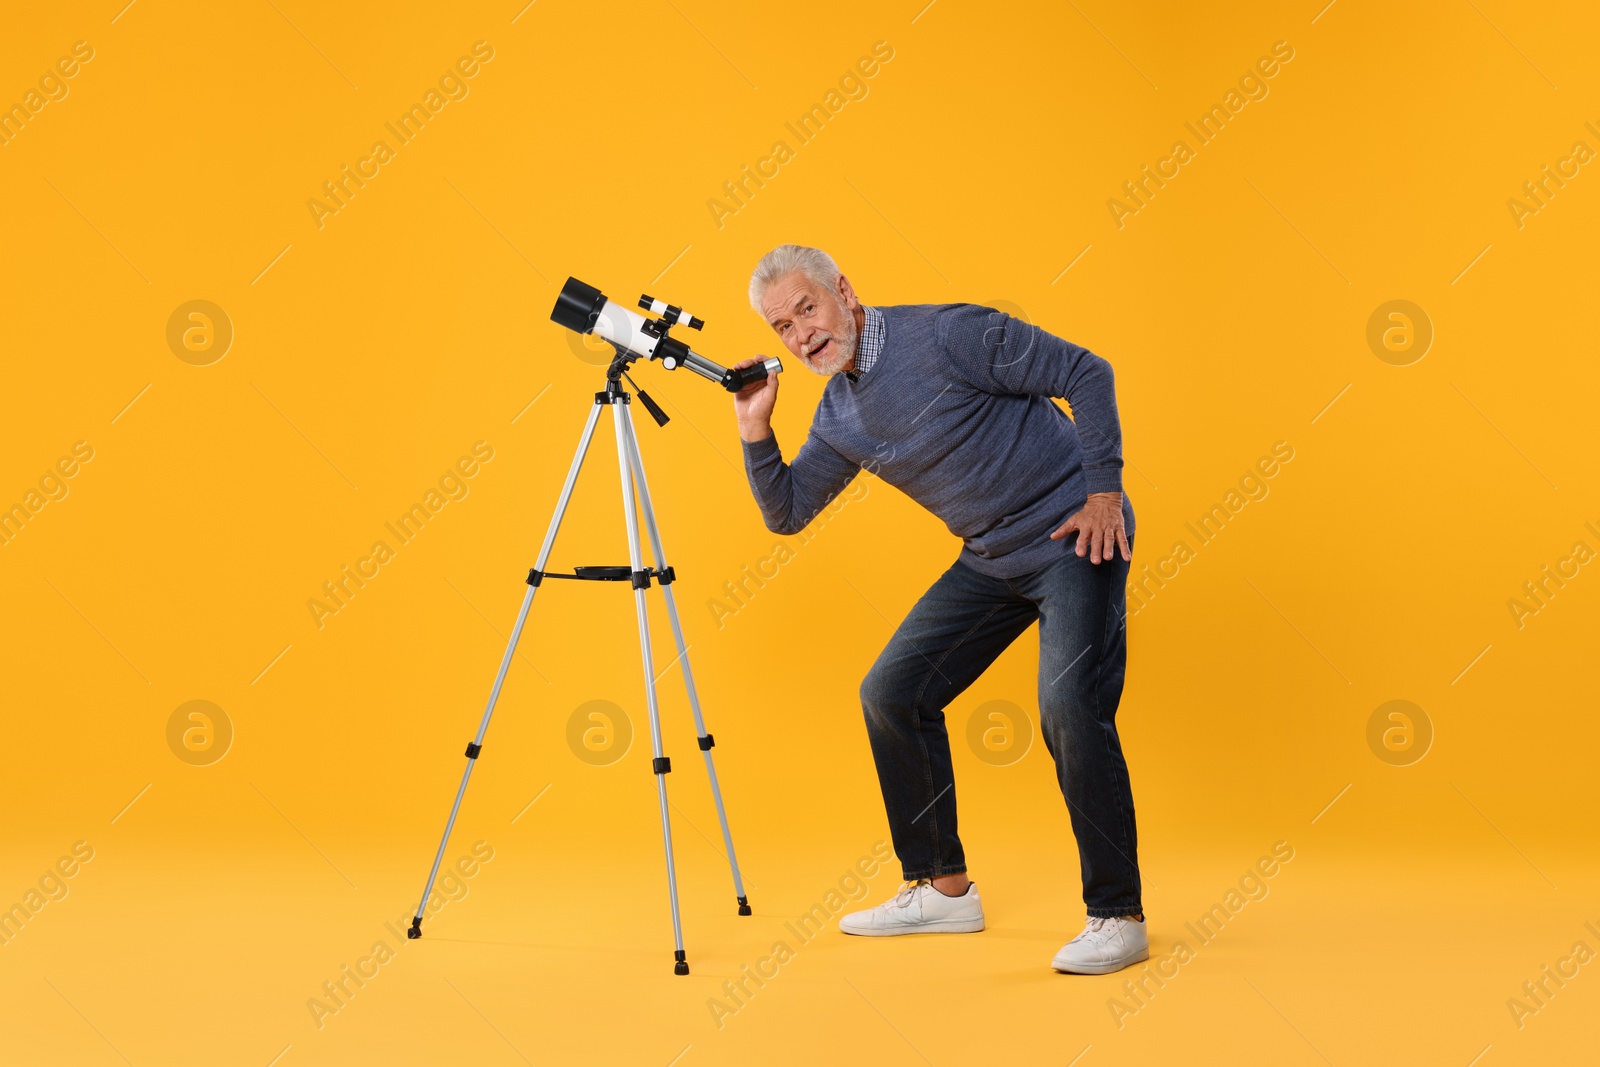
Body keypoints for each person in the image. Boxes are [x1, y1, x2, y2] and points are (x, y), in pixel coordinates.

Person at [730, 244, 1147, 975]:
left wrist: (1103, 492)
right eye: (782, 327)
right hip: (990, 559)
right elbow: (788, 511)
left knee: (1068, 706)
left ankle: (1118, 914)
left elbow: (1089, 371)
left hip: (1076, 534)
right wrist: (754, 428)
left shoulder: (950, 335)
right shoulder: (839, 415)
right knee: (892, 692)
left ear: (844, 292)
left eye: (808, 308)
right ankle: (942, 886)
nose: (802, 334)